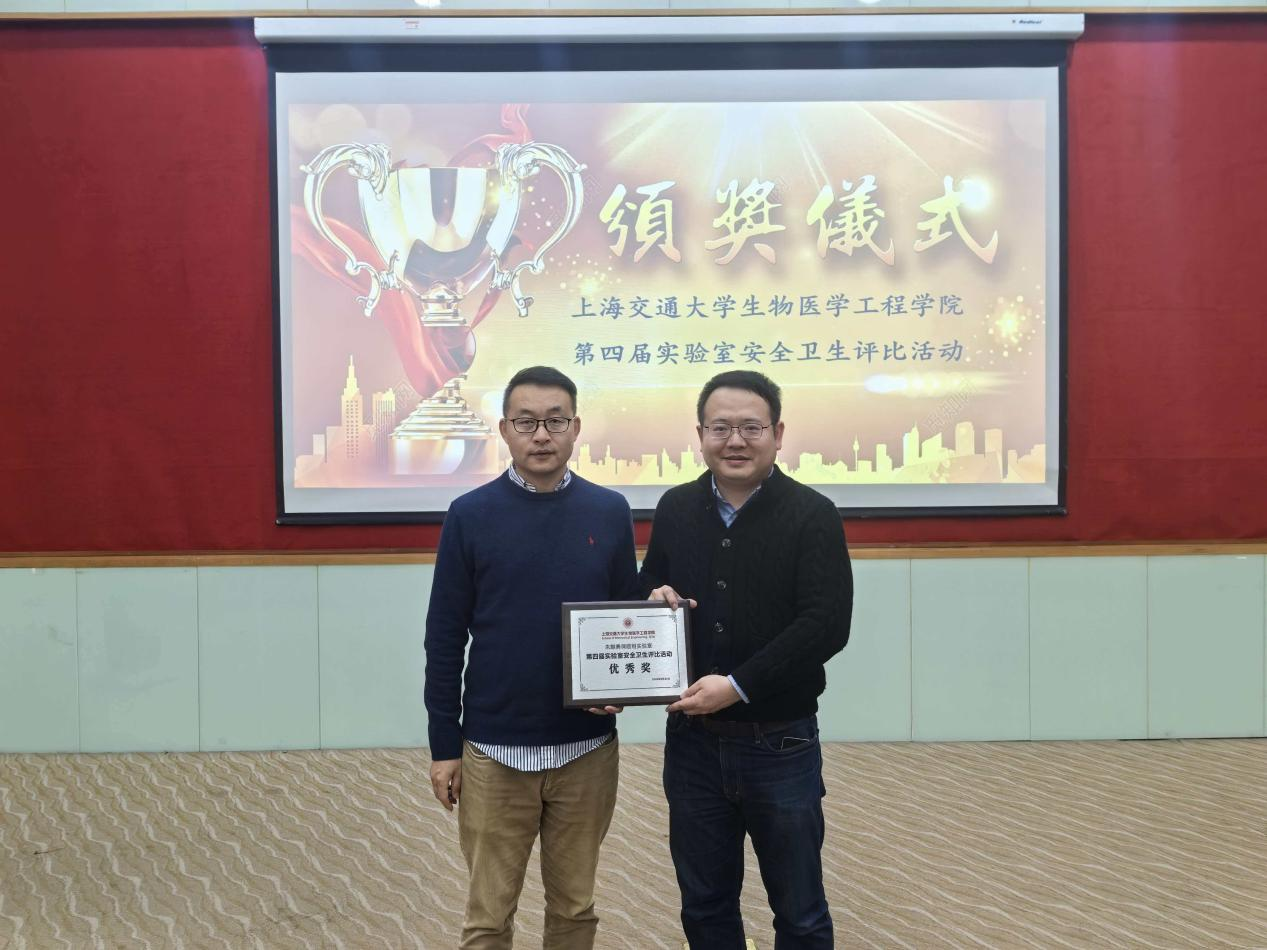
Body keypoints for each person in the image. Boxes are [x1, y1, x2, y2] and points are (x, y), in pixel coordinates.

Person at [424, 365, 638, 950]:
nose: (541, 435)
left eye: (555, 421)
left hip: (586, 751)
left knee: (574, 909)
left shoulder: (609, 510)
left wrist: (623, 685)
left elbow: (624, 617)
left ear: (576, 428)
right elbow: (444, 637)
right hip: (494, 751)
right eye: (526, 422)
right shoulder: (470, 514)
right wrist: (444, 745)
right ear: (504, 430)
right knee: (488, 917)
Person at [640, 369, 853, 950]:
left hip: (780, 742)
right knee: (704, 905)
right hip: (693, 745)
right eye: (721, 428)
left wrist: (736, 685)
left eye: (751, 427)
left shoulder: (813, 513)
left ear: (778, 434)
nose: (735, 440)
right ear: (700, 435)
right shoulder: (676, 507)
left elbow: (826, 625)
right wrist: (651, 596)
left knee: (800, 910)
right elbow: (651, 581)